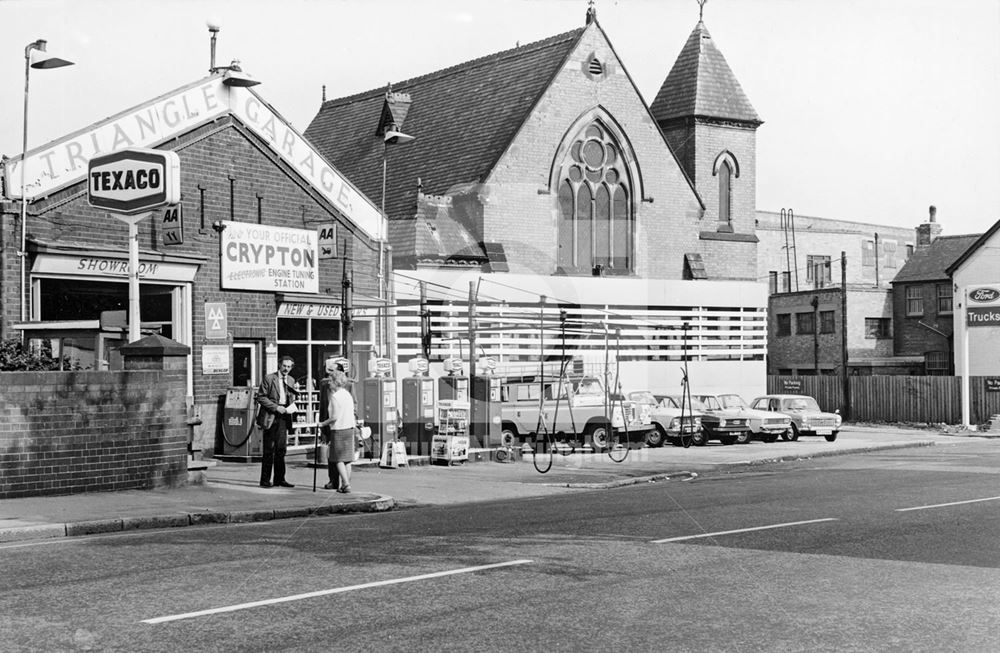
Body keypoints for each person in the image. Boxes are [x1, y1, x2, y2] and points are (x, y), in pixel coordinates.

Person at [255, 355, 299, 488]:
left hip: (284, 416)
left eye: (289, 366)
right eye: (284, 366)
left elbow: (290, 396)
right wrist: (276, 407)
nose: (286, 369)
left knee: (281, 449)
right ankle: (265, 480)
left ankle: (280, 479)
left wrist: (292, 404)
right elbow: (261, 397)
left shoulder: (291, 380)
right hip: (271, 415)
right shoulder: (269, 378)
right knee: (269, 449)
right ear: (279, 365)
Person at [319, 370, 356, 493]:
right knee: (347, 459)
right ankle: (347, 483)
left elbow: (334, 417)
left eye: (330, 381)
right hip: (349, 429)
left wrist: (322, 424)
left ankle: (346, 484)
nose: (329, 383)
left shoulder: (335, 397)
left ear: (336, 382)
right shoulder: (347, 394)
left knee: (337, 459)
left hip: (338, 430)